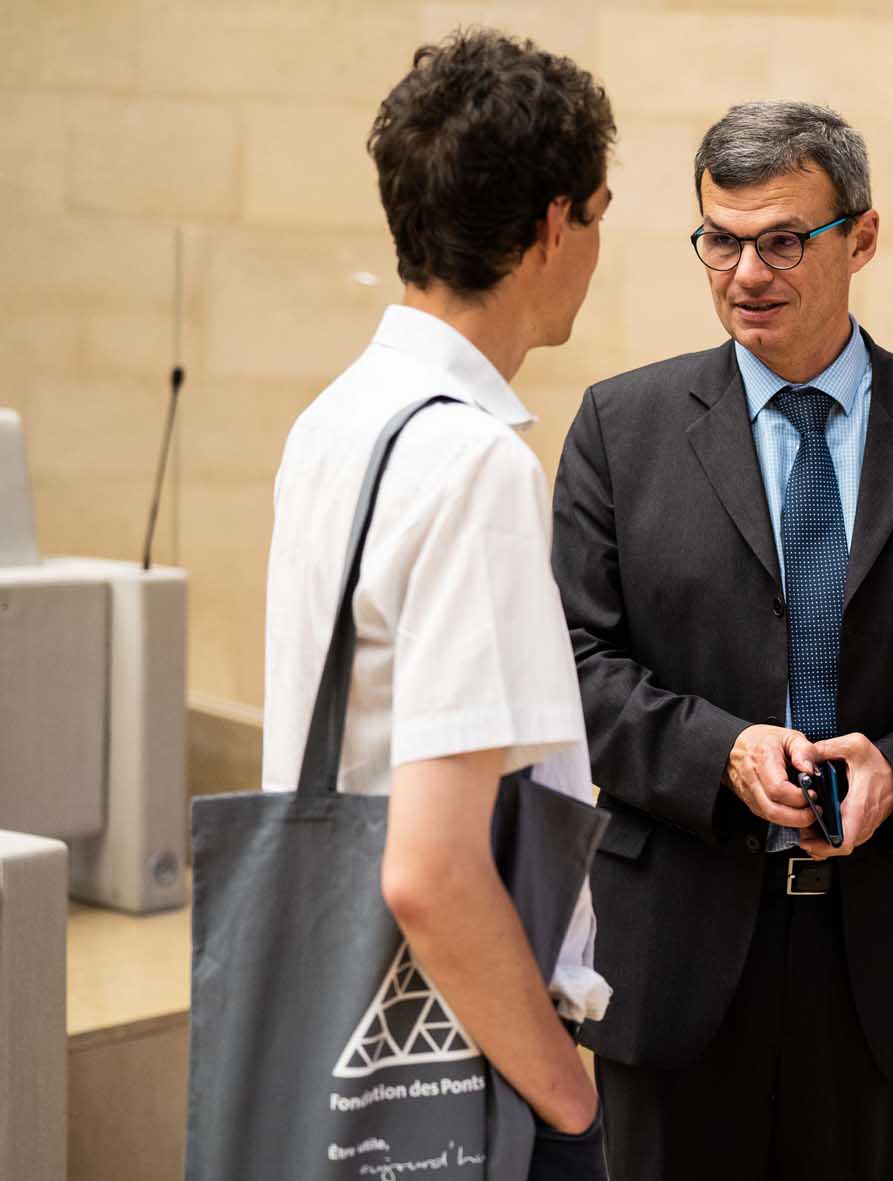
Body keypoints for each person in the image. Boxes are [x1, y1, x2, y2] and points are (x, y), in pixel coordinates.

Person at [550, 99, 893, 1179]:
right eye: (720, 239)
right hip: (676, 947)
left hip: (881, 951)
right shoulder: (621, 428)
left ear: (861, 238)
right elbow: (573, 662)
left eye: (784, 240)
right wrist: (723, 752)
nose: (747, 272)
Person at [260, 30, 616, 1179]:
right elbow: (431, 867)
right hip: (460, 1065)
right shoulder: (470, 462)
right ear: (554, 225)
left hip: (331, 1023)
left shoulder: (334, 420)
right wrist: (569, 1100)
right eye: (599, 213)